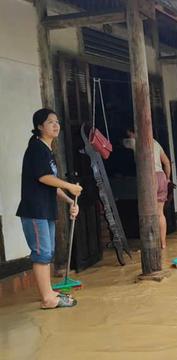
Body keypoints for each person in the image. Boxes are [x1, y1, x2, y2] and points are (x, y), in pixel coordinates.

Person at [16, 108, 82, 309]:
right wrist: (69, 186)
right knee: (42, 252)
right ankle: (47, 299)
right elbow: (43, 177)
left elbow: (50, 185)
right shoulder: (36, 148)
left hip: (45, 209)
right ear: (39, 126)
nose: (56, 125)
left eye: (57, 122)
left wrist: (70, 201)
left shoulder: (47, 151)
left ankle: (49, 292)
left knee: (47, 252)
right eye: (50, 122)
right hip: (35, 210)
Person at [125, 127, 171, 249]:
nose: (129, 136)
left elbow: (120, 144)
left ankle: (150, 245)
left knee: (147, 213)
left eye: (129, 133)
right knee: (160, 213)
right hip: (161, 176)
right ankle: (163, 243)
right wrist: (167, 179)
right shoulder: (155, 142)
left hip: (149, 177)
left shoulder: (135, 142)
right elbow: (166, 162)